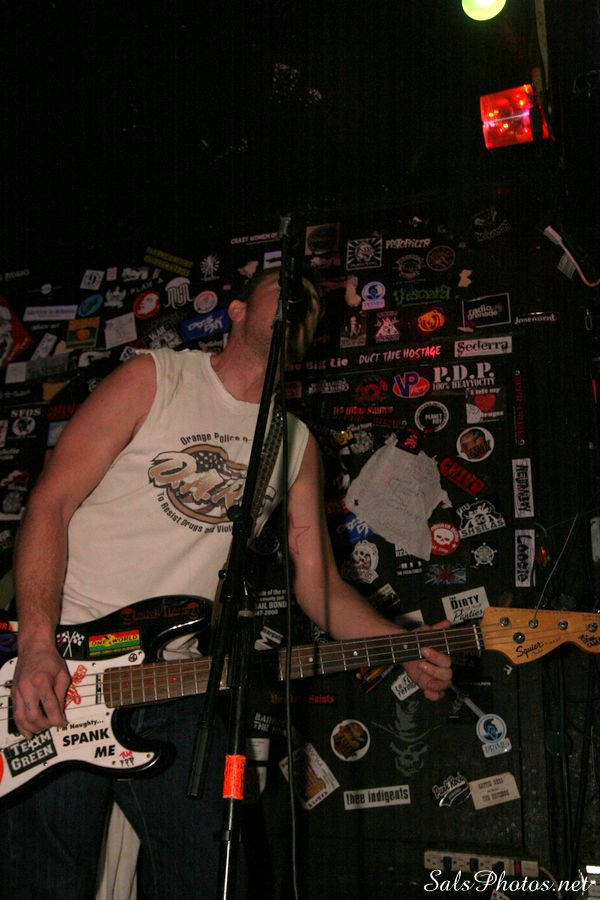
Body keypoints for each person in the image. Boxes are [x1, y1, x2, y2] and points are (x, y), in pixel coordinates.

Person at [4, 267, 453, 899]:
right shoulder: (155, 379)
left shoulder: (293, 442)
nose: (299, 304)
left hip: (174, 677)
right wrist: (36, 645)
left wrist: (403, 644)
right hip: (66, 660)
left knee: (212, 876)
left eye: (311, 307)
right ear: (236, 310)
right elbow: (50, 503)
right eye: (284, 290)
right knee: (47, 881)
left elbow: (318, 586)